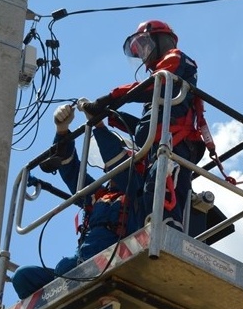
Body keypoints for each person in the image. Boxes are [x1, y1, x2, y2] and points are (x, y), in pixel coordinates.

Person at [81, 19, 205, 232]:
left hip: (176, 144)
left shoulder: (174, 60)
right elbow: (146, 127)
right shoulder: (159, 95)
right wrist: (111, 115)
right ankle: (155, 230)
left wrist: (111, 97)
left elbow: (157, 84)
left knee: (165, 190)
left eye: (145, 45)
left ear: (161, 40)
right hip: (159, 146)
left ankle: (167, 232)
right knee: (151, 190)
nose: (143, 54)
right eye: (140, 50)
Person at [11, 103, 144, 299]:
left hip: (113, 262)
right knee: (23, 277)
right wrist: (62, 131)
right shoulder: (98, 195)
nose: (107, 169)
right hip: (79, 267)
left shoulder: (138, 192)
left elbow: (120, 165)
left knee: (65, 268)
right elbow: (73, 173)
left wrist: (98, 125)